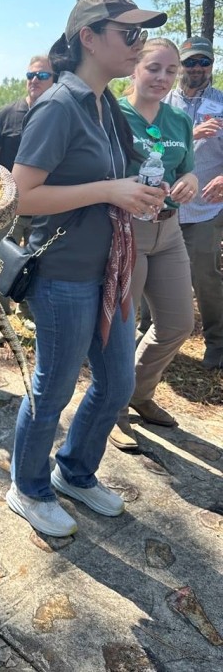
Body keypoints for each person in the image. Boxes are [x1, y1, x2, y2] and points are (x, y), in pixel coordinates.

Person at [7, 0, 167, 538]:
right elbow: (21, 197)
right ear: (89, 39)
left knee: (117, 383)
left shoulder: (104, 107)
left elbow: (114, 185)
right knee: (52, 389)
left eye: (141, 35)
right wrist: (110, 189)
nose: (138, 45)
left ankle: (75, 470)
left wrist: (142, 192)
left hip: (110, 273)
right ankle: (27, 486)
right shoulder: (58, 105)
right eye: (129, 34)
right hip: (65, 277)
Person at [109, 38, 197, 450]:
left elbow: (188, 171)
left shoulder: (178, 120)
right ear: (134, 70)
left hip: (169, 229)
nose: (162, 78)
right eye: (154, 68)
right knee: (123, 329)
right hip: (127, 231)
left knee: (179, 323)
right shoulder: (111, 114)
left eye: (170, 71)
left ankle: (138, 394)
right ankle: (112, 410)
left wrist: (191, 181)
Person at [0, 56, 55, 342]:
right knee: (1, 260)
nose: (34, 80)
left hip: (46, 208)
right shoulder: (7, 113)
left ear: (55, 80)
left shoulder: (60, 115)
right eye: (30, 74)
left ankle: (27, 313)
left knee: (35, 262)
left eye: (42, 75)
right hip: (5, 206)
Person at [162, 36, 223, 371]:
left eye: (204, 62)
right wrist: (190, 136)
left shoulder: (222, 103)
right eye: (190, 62)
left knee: (205, 273)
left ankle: (217, 342)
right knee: (156, 274)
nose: (198, 69)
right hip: (165, 204)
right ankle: (151, 335)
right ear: (180, 66)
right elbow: (151, 144)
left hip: (205, 208)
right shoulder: (163, 103)